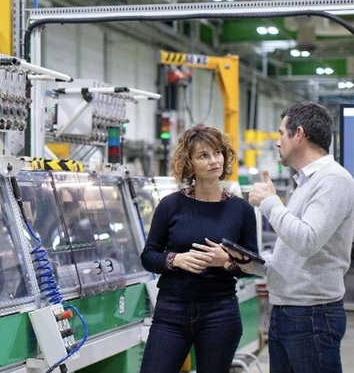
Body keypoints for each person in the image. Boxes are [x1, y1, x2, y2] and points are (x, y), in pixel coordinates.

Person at [233, 102, 354, 373]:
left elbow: (307, 240)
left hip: (311, 315)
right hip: (289, 310)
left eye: (280, 134)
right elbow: (294, 252)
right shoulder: (306, 182)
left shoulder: (333, 180)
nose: (277, 142)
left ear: (298, 134)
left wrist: (270, 204)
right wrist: (252, 264)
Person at [139, 126, 258, 373]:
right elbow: (148, 256)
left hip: (220, 312)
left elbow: (251, 267)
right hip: (172, 310)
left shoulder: (241, 210)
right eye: (203, 155)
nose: (214, 160)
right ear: (190, 163)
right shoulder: (170, 205)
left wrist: (225, 262)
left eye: (217, 153)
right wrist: (175, 260)